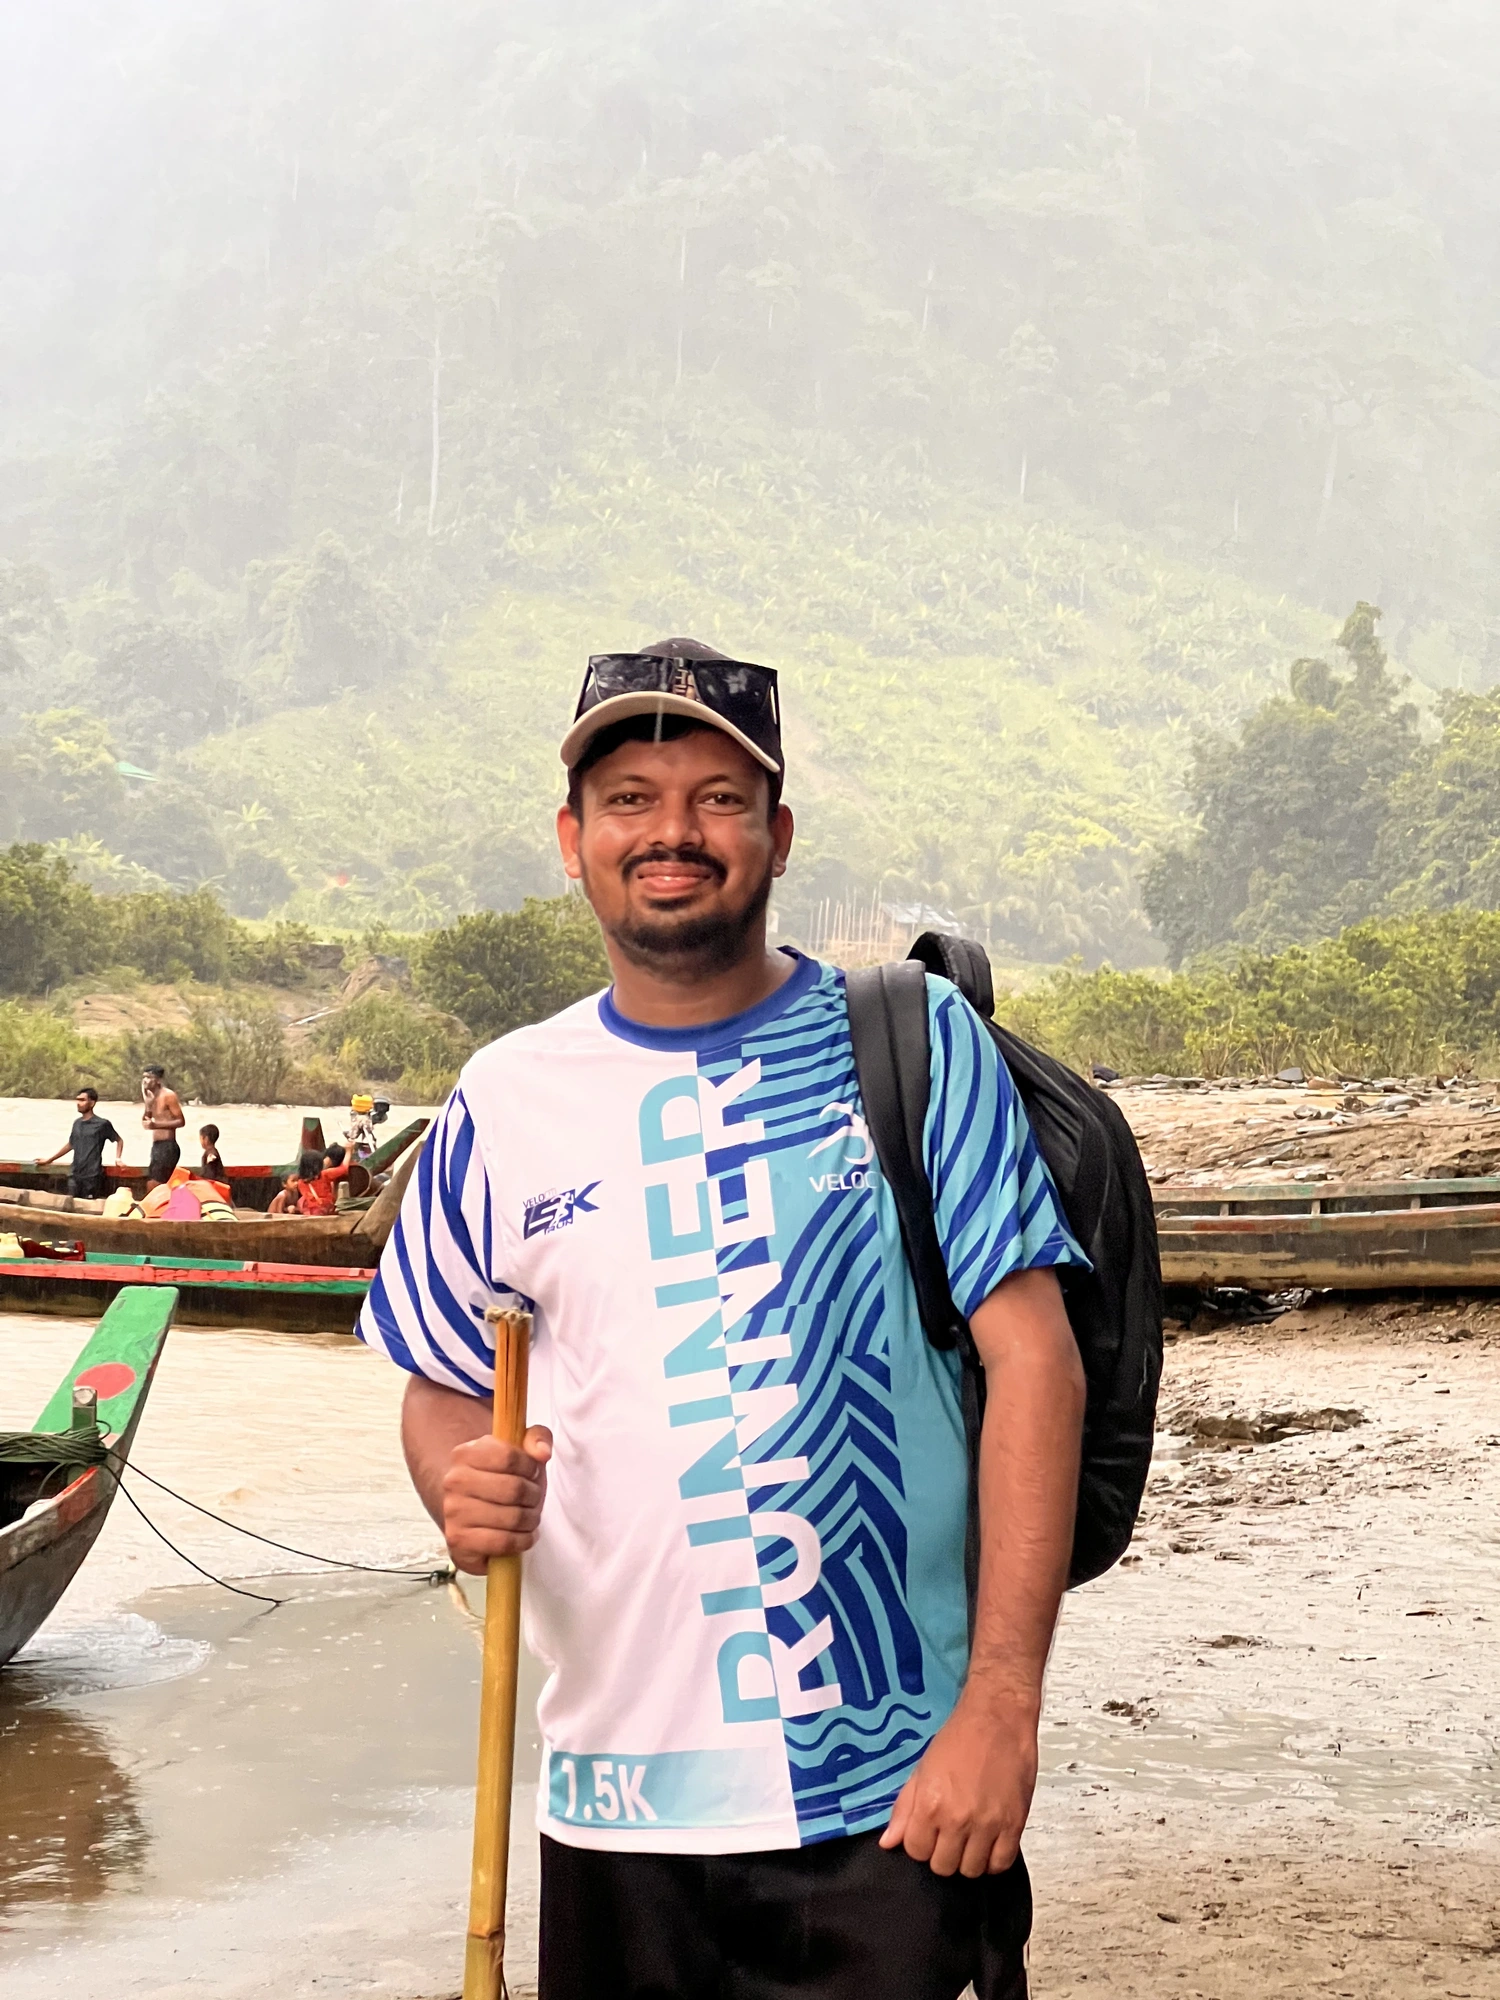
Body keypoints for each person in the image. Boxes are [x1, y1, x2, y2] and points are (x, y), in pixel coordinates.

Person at [359, 640, 1088, 2000]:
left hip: (894, 1798)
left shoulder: (918, 1045)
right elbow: (445, 1383)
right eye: (630, 798)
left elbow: (1033, 1362)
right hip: (614, 1812)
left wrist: (1002, 1710)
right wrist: (455, 1487)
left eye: (716, 797)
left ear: (779, 834)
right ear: (573, 842)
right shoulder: (507, 1100)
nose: (672, 832)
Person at [40, 1087, 124, 1201]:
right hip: (75, 1174)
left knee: (89, 1205)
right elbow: (71, 1144)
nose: (78, 1103)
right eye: (78, 1100)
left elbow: (119, 1140)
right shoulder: (77, 1123)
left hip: (92, 1176)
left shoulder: (102, 1124)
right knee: (71, 1204)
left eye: (82, 1100)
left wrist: (118, 1158)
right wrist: (49, 1160)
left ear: (92, 1103)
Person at [269, 1144, 350, 1217]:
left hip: (311, 1213)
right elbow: (344, 1169)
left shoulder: (301, 1182)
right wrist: (349, 1151)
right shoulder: (325, 1174)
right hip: (326, 1211)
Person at [141, 1065, 185, 1189]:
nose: (145, 1081)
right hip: (157, 1146)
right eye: (144, 1077)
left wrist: (156, 1125)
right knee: (152, 1182)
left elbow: (181, 1121)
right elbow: (145, 1123)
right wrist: (148, 1105)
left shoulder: (168, 1095)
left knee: (155, 1184)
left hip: (168, 1146)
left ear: (158, 1080)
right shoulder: (151, 1097)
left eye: (149, 1077)